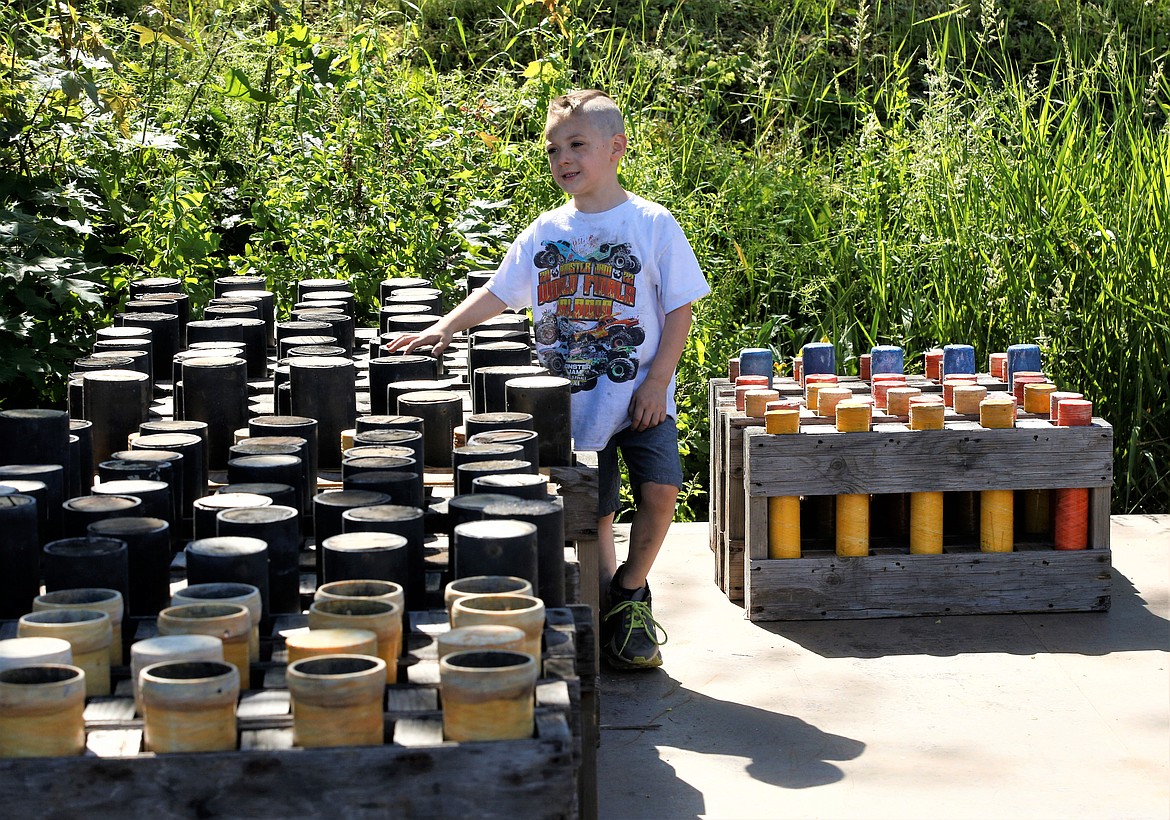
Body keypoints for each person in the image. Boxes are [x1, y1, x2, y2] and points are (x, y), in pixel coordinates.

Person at [387, 89, 709, 669]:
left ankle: (629, 591)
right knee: (597, 508)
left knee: (661, 491)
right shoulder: (545, 232)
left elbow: (681, 307)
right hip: (572, 402)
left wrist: (659, 381)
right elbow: (498, 292)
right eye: (555, 148)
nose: (564, 158)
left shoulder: (651, 225)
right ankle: (611, 614)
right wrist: (444, 328)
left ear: (617, 148)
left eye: (577, 145)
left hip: (639, 394)